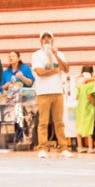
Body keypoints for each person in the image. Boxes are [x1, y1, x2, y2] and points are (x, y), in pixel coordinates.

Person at [31, 30, 71, 158]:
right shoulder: (36, 55)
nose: (47, 39)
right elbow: (40, 72)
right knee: (43, 122)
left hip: (58, 91)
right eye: (44, 38)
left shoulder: (59, 53)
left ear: (52, 40)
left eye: (49, 37)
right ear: (40, 41)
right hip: (43, 92)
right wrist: (54, 71)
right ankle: (42, 147)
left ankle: (63, 147)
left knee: (59, 122)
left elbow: (66, 69)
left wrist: (56, 55)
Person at [75, 65, 95, 153]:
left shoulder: (79, 84)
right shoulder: (91, 83)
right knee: (89, 127)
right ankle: (90, 147)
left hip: (80, 108)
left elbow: (77, 97)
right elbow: (89, 96)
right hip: (88, 108)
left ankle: (80, 147)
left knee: (79, 126)